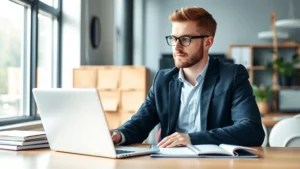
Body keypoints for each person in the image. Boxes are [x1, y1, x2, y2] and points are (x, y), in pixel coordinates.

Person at [110, 7, 265, 148]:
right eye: (173, 39)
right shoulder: (163, 79)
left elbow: (252, 130)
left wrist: (191, 138)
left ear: (207, 42)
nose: (176, 47)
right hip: (170, 162)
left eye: (185, 39)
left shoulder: (232, 76)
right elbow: (140, 122)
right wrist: (119, 134)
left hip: (216, 163)